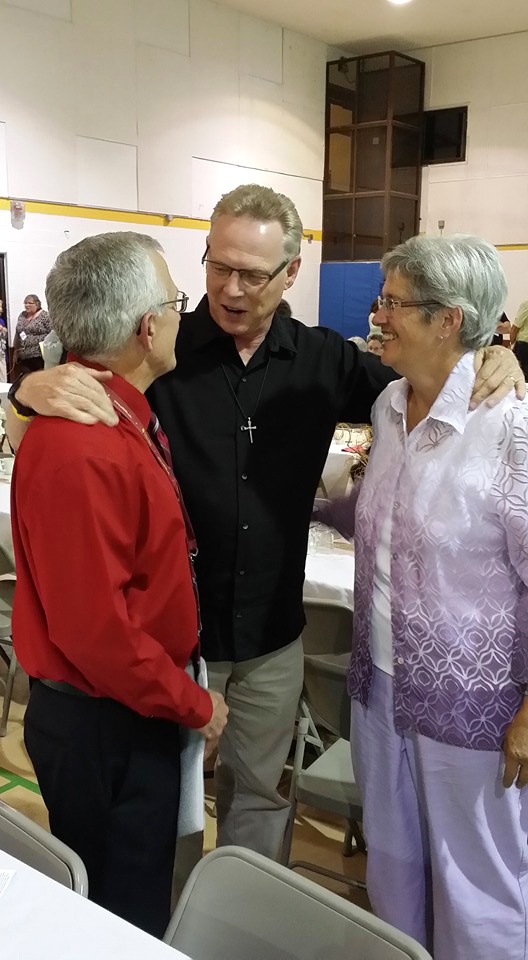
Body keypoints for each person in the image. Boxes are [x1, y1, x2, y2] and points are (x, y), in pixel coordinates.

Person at [6, 186, 525, 872]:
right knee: (167, 813)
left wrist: (491, 358)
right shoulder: (159, 344)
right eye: (218, 265)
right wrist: (26, 394)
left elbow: (425, 389)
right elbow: (72, 410)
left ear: (291, 274)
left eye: (253, 273)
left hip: (273, 637)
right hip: (170, 643)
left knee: (259, 801)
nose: (230, 287)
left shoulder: (325, 361)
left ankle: (239, 925)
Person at [11, 232, 228, 937]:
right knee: (118, 915)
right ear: (146, 327)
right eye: (175, 301)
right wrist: (193, 704)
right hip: (107, 718)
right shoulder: (87, 441)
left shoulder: (114, 414)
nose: (181, 315)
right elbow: (97, 634)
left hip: (120, 707)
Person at [321, 235, 528, 960]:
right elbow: (386, 522)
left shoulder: (510, 428)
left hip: (474, 709)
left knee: (479, 892)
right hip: (381, 690)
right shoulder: (386, 406)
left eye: (393, 303)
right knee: (395, 869)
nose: (377, 316)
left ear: (450, 320)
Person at [12, 294, 51, 377]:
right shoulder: (22, 315)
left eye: (29, 303)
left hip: (39, 355)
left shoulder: (45, 316)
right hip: (24, 356)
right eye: (25, 303)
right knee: (25, 379)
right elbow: (18, 333)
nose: (27, 305)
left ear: (37, 304)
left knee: (39, 379)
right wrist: (15, 351)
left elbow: (52, 333)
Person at [511, 299, 528, 379]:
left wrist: (511, 345)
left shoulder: (526, 304)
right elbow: (515, 328)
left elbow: (515, 328)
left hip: (524, 347)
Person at [0, 299, 7, 381]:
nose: (1, 309)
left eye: (1, 307)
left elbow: (5, 335)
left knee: (2, 374)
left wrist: (3, 329)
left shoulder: (1, 320)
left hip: (1, 352)